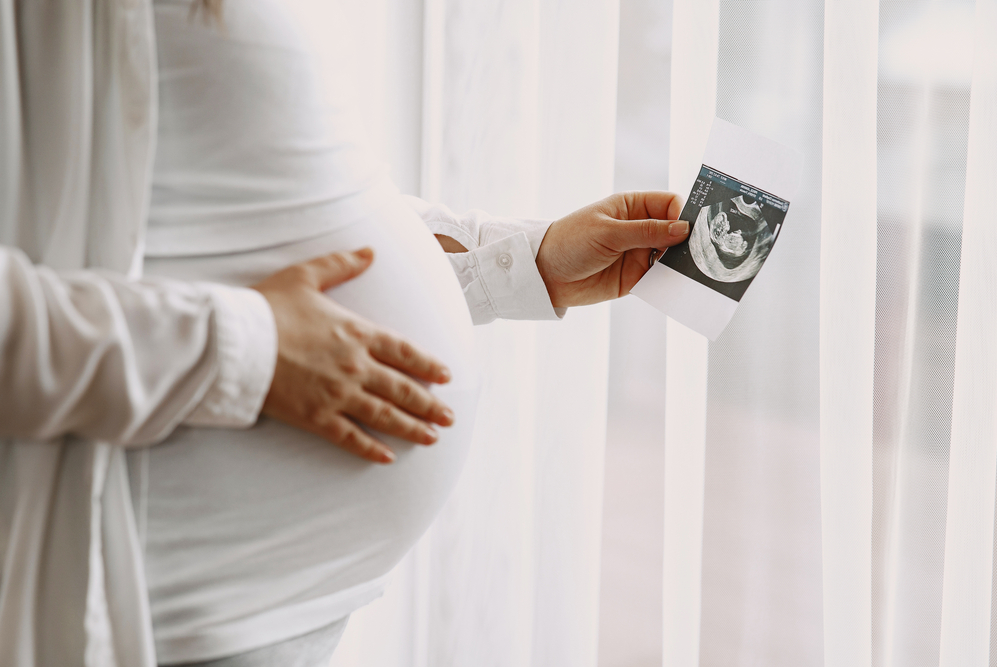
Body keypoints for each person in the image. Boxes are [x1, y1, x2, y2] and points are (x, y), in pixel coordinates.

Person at [0, 1, 689, 666]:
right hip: (180, 608)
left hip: (276, 614)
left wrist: (522, 263)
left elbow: (266, 207)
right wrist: (244, 348)